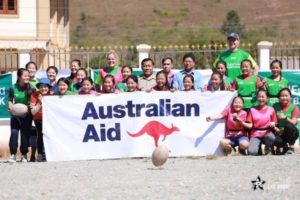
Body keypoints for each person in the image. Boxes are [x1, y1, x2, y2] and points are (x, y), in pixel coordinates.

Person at [8, 68, 35, 162]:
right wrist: (11, 107)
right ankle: (13, 154)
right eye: (25, 75)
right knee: (14, 133)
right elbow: (10, 100)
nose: (28, 77)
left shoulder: (31, 88)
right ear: (19, 77)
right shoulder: (13, 87)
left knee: (25, 135)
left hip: (27, 114)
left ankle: (24, 155)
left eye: (28, 75)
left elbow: (34, 101)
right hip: (15, 115)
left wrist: (32, 105)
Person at [245, 89, 277, 156]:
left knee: (272, 137)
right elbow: (249, 124)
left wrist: (273, 123)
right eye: (259, 97)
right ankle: (258, 147)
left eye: (263, 97)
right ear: (257, 98)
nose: (261, 99)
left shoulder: (271, 109)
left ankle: (267, 148)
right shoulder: (252, 110)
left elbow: (275, 121)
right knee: (252, 152)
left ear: (267, 98)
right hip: (255, 134)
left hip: (267, 133)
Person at [30, 78, 53, 162]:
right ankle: (39, 154)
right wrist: (40, 102)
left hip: (50, 119)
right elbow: (33, 112)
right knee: (40, 134)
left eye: (45, 87)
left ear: (49, 87)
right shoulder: (34, 95)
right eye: (41, 87)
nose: (43, 89)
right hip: (39, 119)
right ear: (39, 87)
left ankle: (50, 154)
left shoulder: (52, 95)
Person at [273, 88, 299, 155]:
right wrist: (276, 128)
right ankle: (281, 147)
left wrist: (285, 118)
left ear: (290, 96)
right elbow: (273, 121)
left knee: (289, 126)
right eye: (282, 96)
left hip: (291, 132)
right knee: (272, 138)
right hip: (279, 132)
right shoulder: (275, 106)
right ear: (279, 97)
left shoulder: (294, 107)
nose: (284, 98)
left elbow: (294, 122)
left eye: (286, 96)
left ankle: (290, 147)